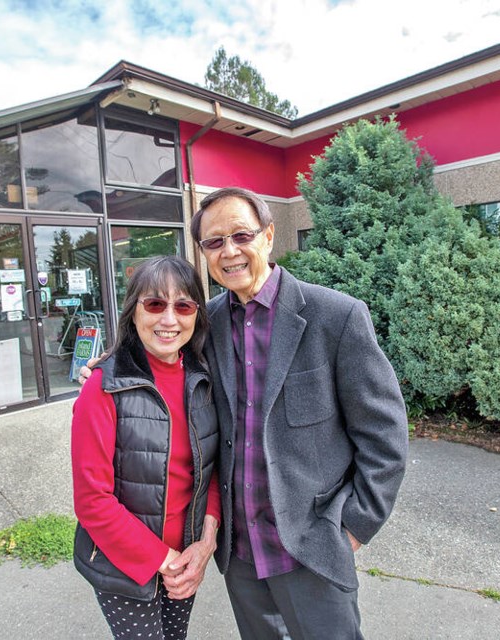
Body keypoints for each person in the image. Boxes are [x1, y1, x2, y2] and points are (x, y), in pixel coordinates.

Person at [80, 187, 409, 639]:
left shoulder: (338, 317)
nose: (229, 251)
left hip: (311, 546)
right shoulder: (205, 324)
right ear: (203, 253)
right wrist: (108, 364)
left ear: (269, 235)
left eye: (241, 235)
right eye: (214, 242)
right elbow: (159, 343)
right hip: (241, 554)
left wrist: (353, 527)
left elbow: (385, 437)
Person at [71, 255, 220, 640]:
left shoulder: (202, 379)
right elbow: (92, 501)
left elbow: (212, 471)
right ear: (134, 311)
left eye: (183, 305)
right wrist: (163, 560)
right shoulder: (103, 387)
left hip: (184, 558)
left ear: (197, 315)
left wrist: (204, 544)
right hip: (124, 566)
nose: (169, 320)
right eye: (155, 304)